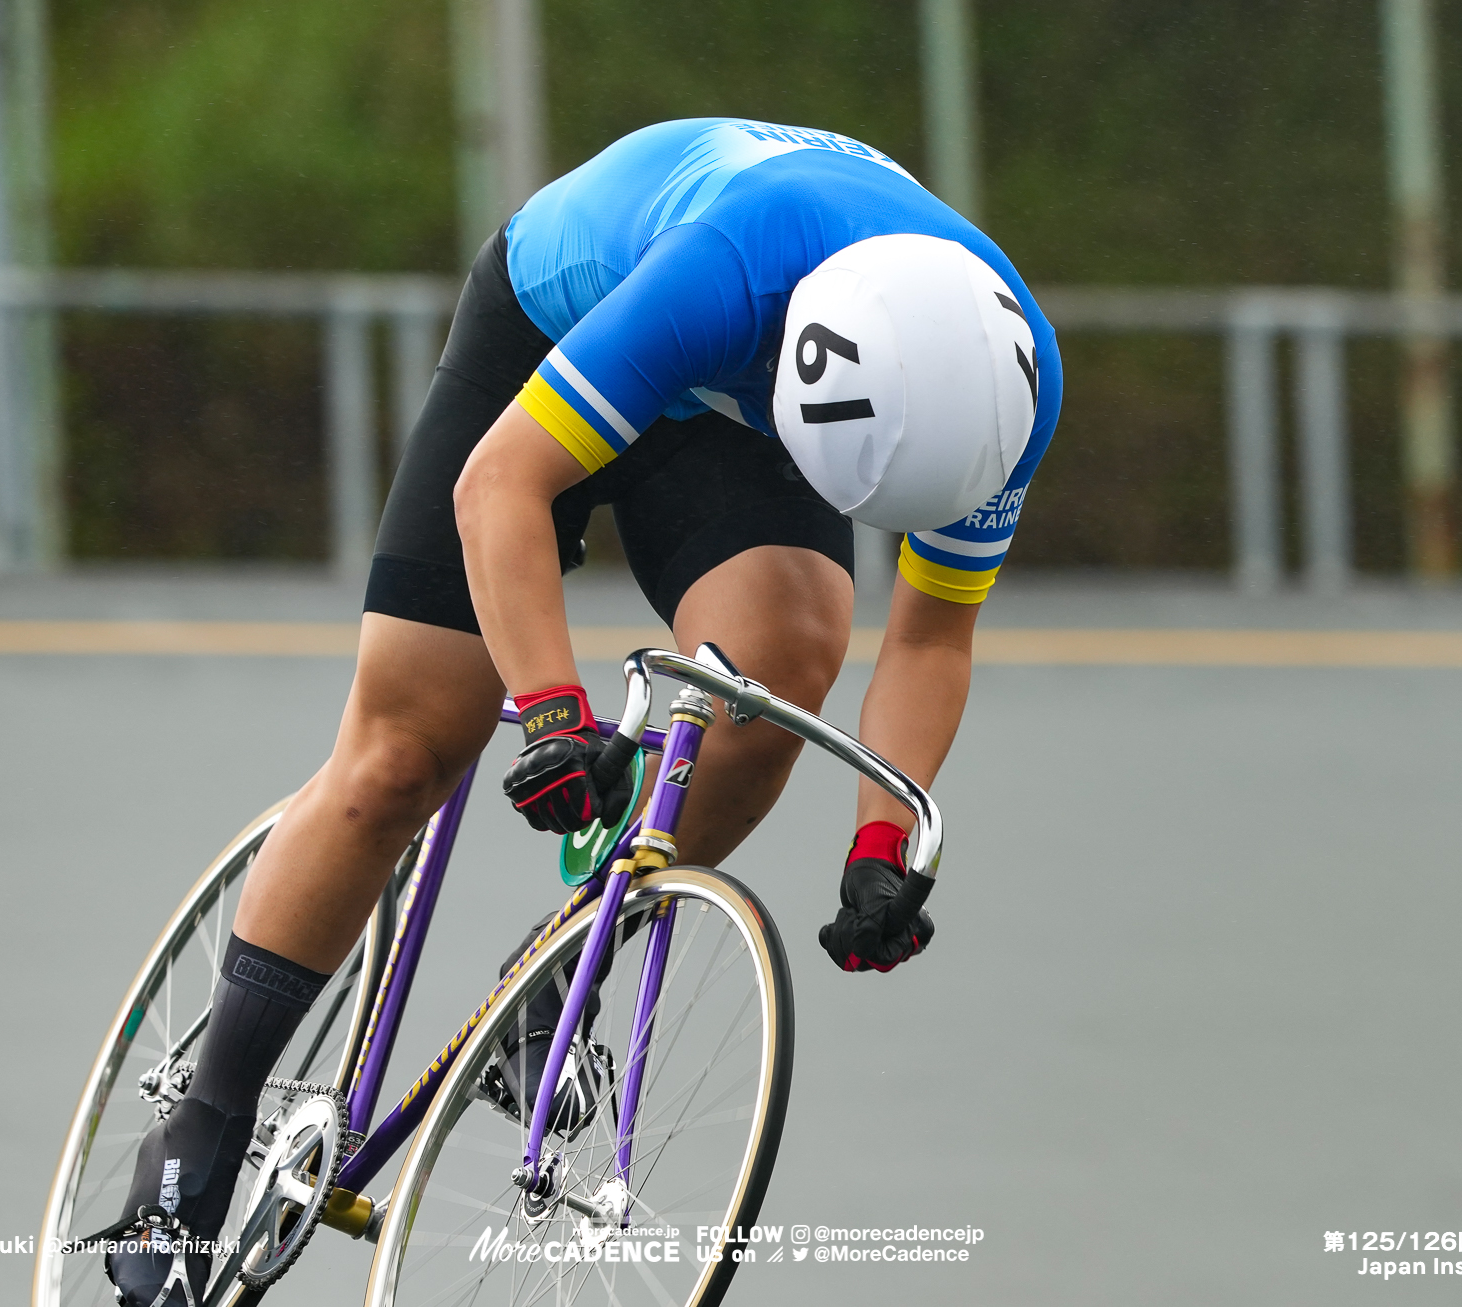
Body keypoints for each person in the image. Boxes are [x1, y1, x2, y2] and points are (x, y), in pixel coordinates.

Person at [106, 116, 1061, 1305]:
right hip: (577, 314)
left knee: (781, 660)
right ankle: (203, 1122)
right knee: (406, 750)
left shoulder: (1002, 388)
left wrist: (881, 837)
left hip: (745, 400)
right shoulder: (734, 267)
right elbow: (498, 484)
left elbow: (927, 635)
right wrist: (552, 714)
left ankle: (558, 968)